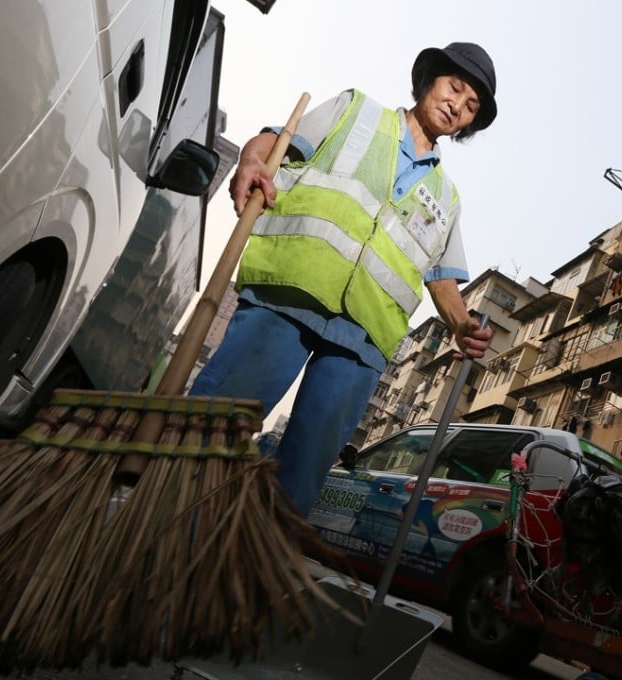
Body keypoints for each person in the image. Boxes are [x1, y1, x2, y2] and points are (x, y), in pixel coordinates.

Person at [189, 42, 497, 516]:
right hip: (288, 296)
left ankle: (246, 572)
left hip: (361, 344)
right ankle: (162, 530)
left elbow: (441, 278)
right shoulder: (356, 111)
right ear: (430, 80)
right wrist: (251, 160)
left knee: (301, 479)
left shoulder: (447, 197)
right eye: (455, 87)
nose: (458, 105)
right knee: (213, 427)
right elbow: (275, 142)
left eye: (471, 106)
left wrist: (460, 325)